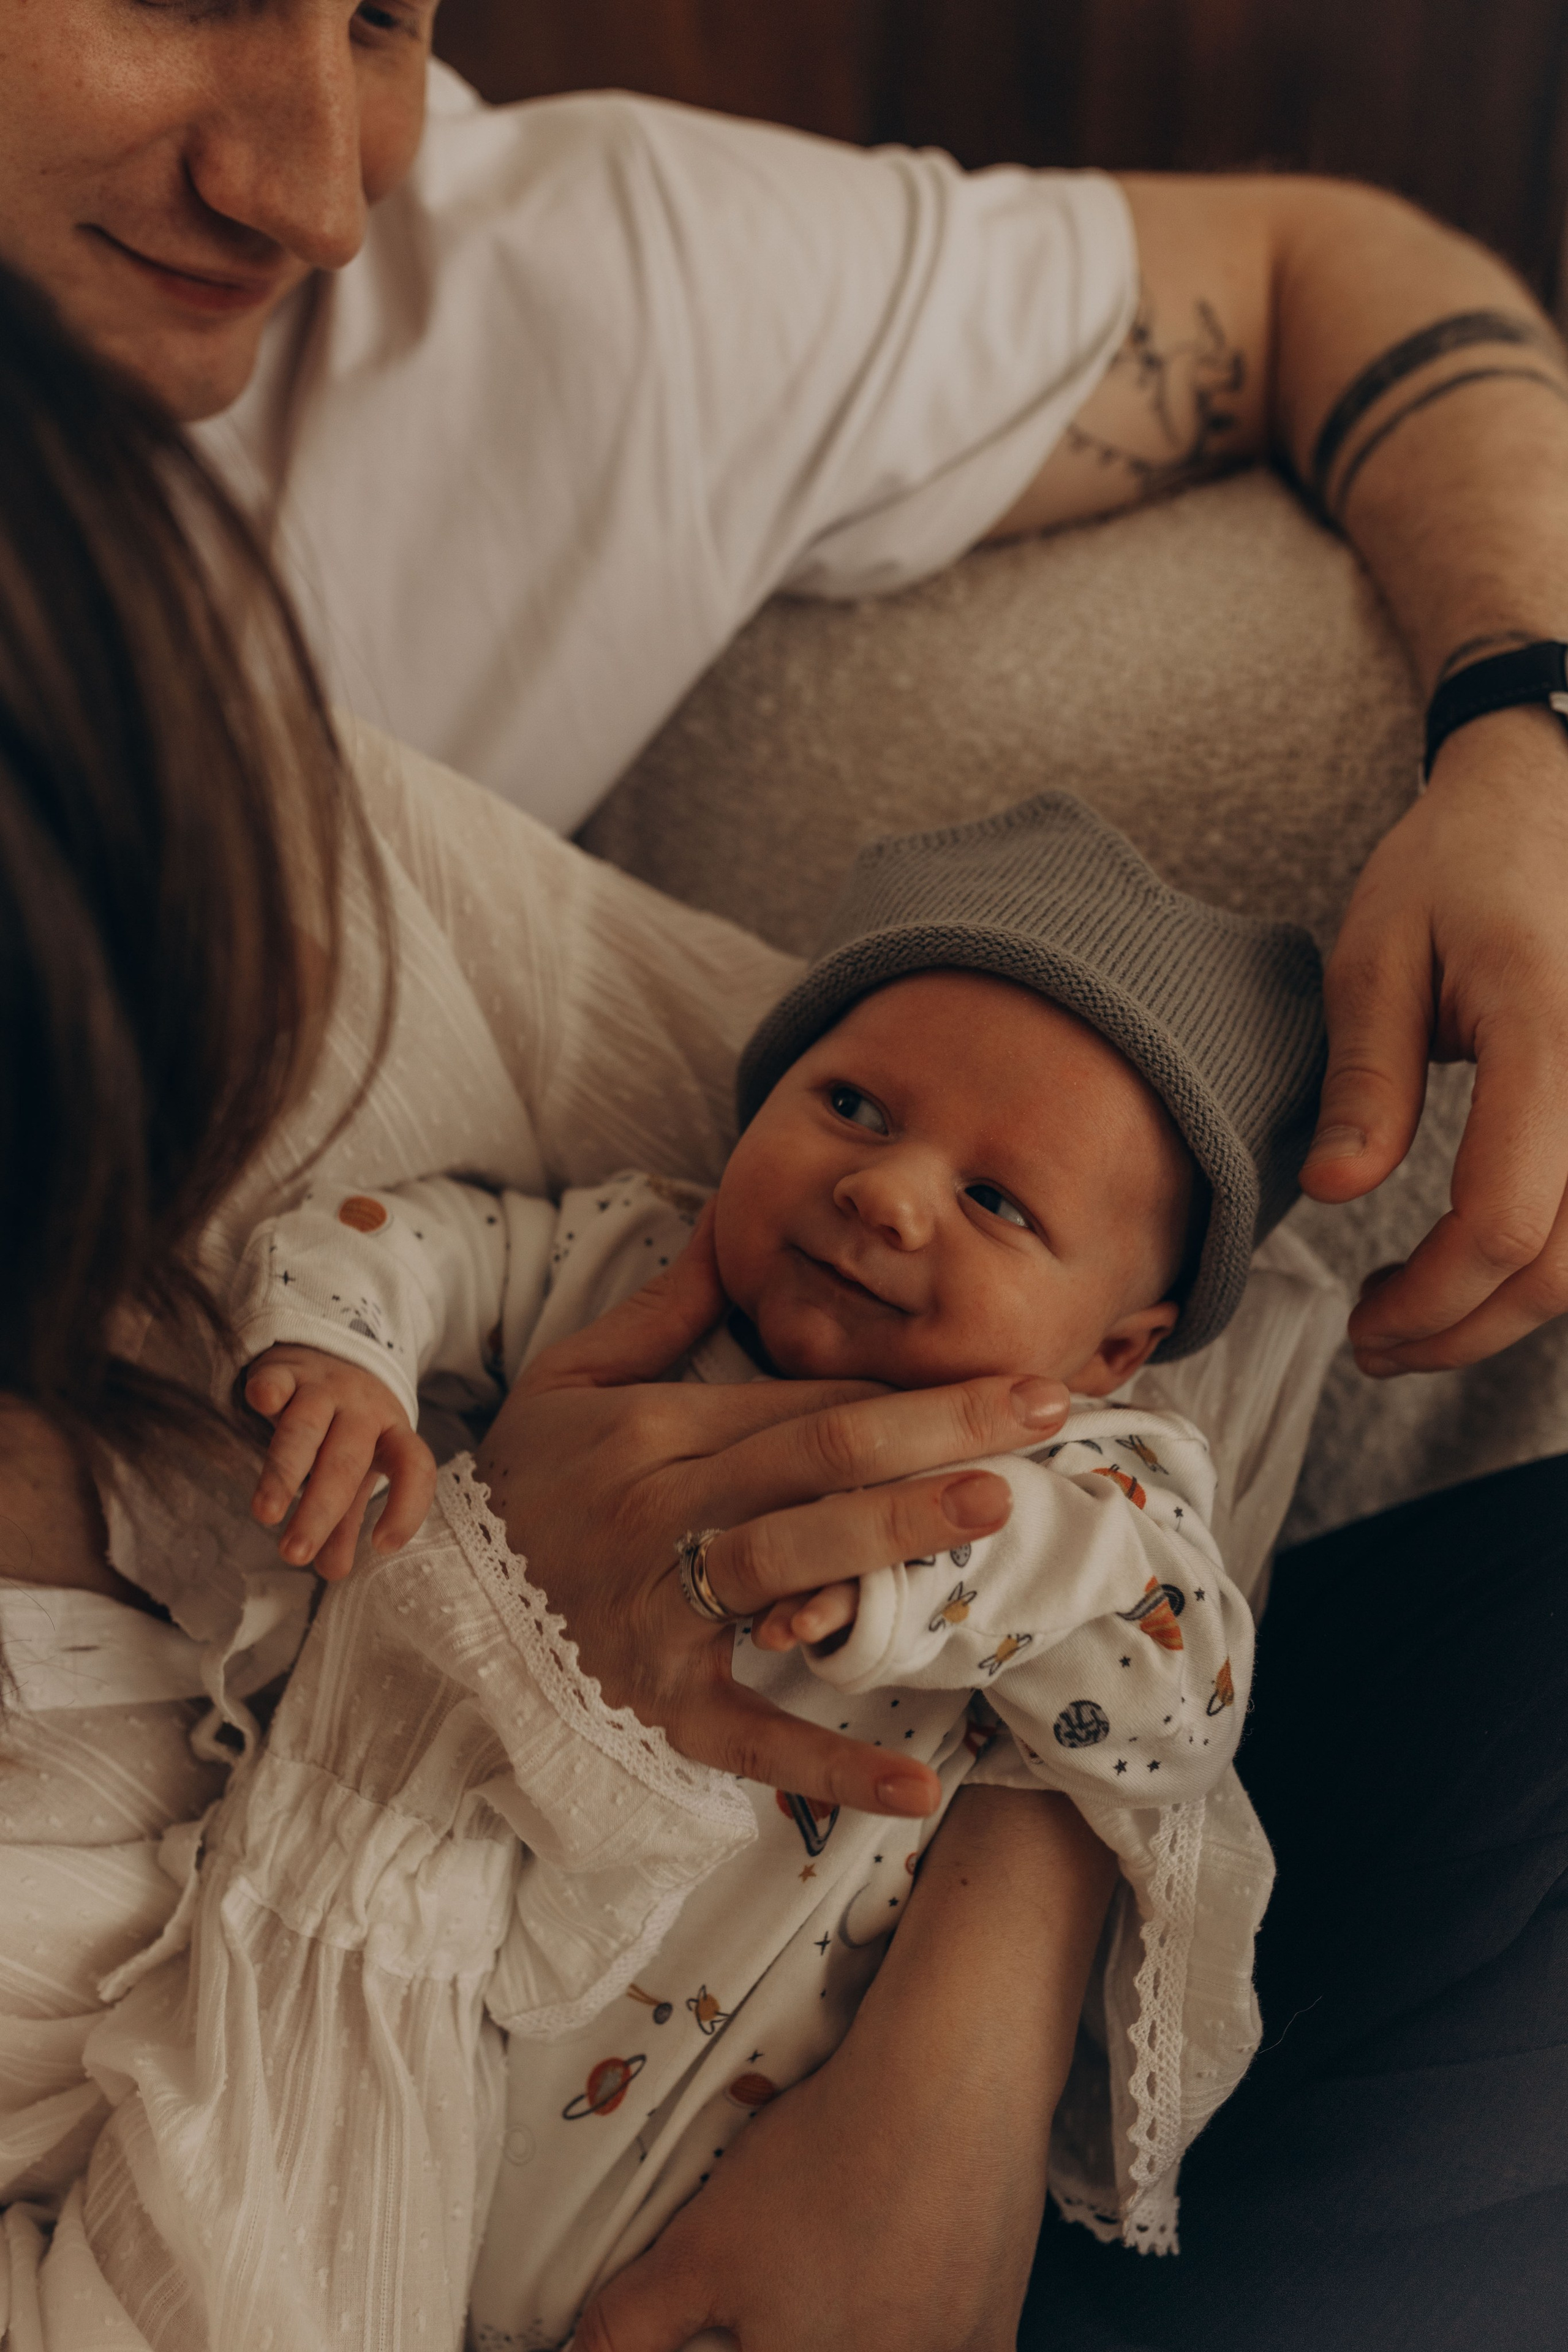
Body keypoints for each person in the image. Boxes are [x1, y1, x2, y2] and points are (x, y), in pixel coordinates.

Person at [1, 6, 1566, 2342]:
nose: (320, 191)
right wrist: (458, 1661)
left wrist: (979, 2014)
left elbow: (1186, 1371)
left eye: (386, 18)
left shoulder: (499, 356)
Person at [160, 793, 1321, 2348]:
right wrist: (343, 1353)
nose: (887, 1191)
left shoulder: (1091, 1471)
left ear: (1114, 1347)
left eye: (995, 1201)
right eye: (850, 1106)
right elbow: (412, 1233)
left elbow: (1180, 1690)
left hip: (711, 2163)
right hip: (383, 2034)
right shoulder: (630, 1263)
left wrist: (918, 1579)